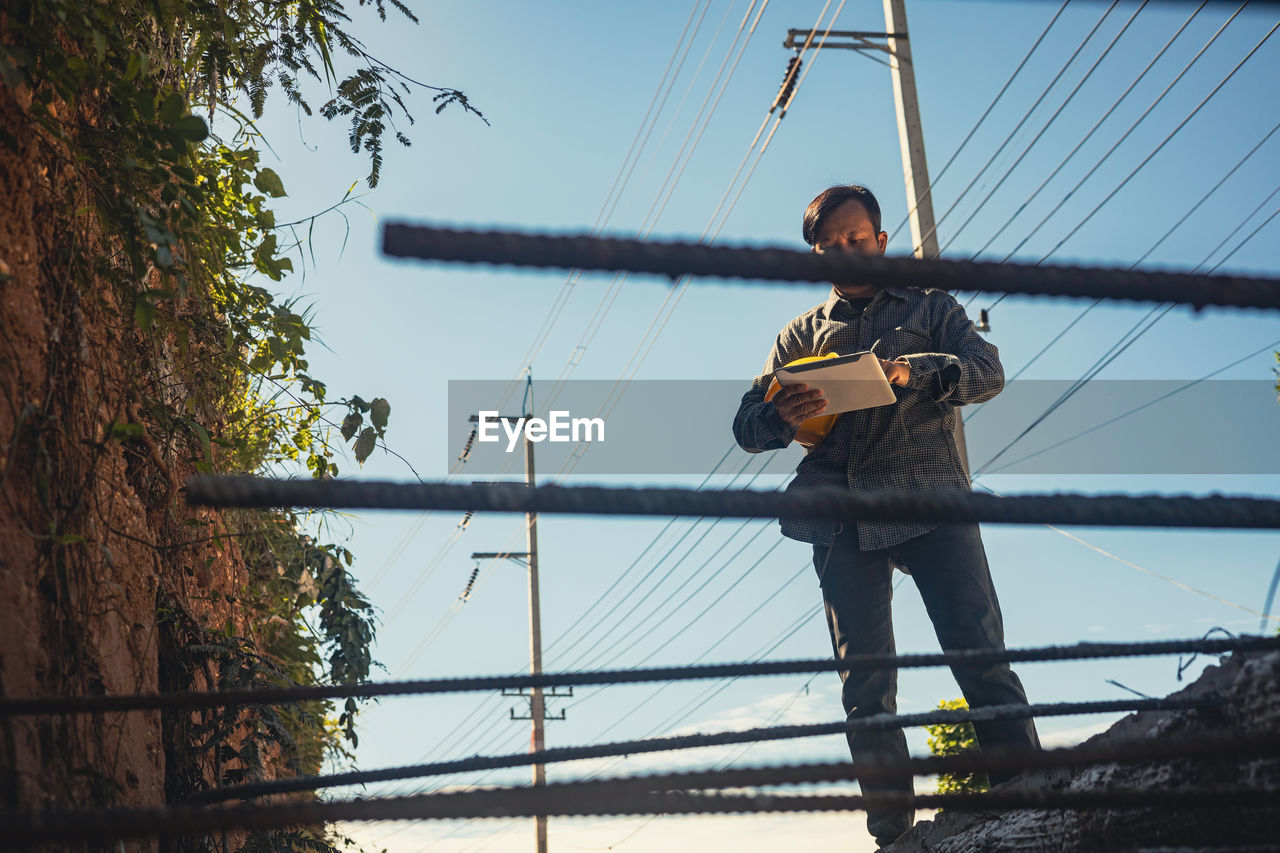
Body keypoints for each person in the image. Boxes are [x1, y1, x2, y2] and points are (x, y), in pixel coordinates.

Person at [731, 185, 1040, 848]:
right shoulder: (798, 336)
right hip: (841, 516)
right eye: (830, 245)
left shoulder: (932, 306)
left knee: (980, 655)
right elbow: (746, 426)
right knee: (866, 689)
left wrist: (913, 372)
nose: (846, 251)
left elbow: (987, 371)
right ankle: (894, 836)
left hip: (931, 497)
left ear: (880, 238)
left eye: (857, 237)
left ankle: (1029, 807)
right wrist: (778, 418)